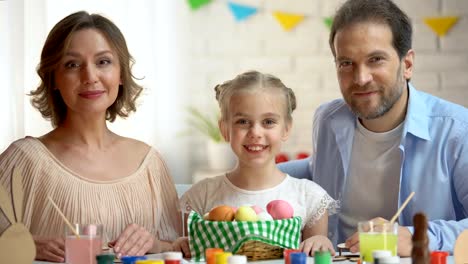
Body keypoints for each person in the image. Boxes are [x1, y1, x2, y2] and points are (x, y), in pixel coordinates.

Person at [278, 0, 468, 256]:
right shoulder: (327, 118)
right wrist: (251, 170)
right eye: (346, 63)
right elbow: (316, 170)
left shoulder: (457, 130)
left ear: (407, 65)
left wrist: (414, 237)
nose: (360, 78)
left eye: (375, 59)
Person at [0, 11, 186, 262]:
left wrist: (154, 244)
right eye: (72, 65)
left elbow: (179, 248)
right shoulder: (23, 161)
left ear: (121, 75)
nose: (90, 77)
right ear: (53, 78)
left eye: (103, 62)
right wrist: (23, 245)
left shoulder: (150, 163)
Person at [180, 71, 339, 256]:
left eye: (268, 122)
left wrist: (320, 241)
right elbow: (185, 253)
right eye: (243, 121)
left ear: (286, 129)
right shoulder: (200, 198)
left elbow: (315, 256)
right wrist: (179, 246)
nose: (255, 132)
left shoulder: (310, 198)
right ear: (224, 129)